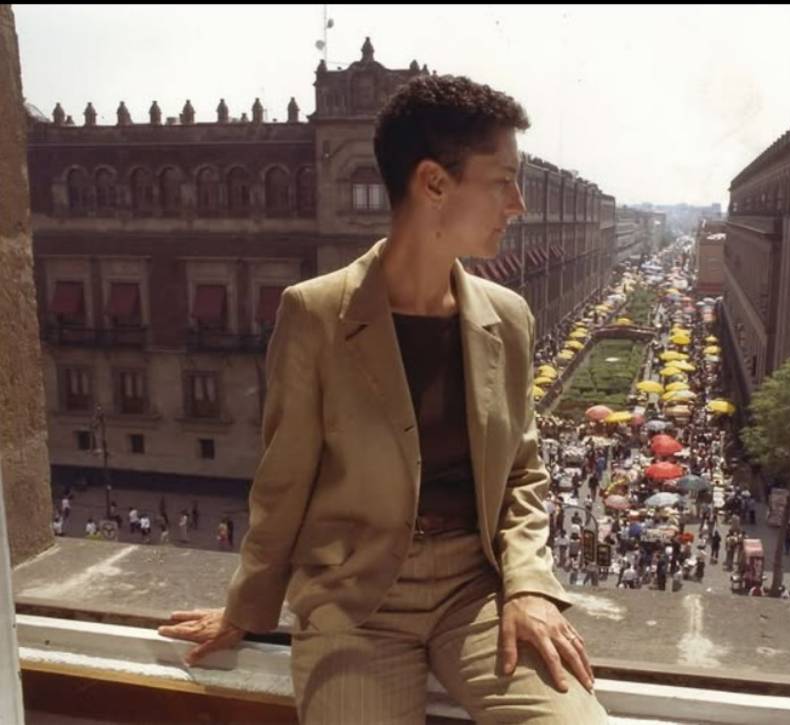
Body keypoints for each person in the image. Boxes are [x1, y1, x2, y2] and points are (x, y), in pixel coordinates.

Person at [158, 74, 606, 723]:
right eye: (503, 181)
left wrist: (530, 586)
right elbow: (283, 481)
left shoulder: (507, 316)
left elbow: (522, 472)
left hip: (476, 596)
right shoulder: (315, 314)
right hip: (354, 605)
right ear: (434, 183)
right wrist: (246, 608)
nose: (518, 204)